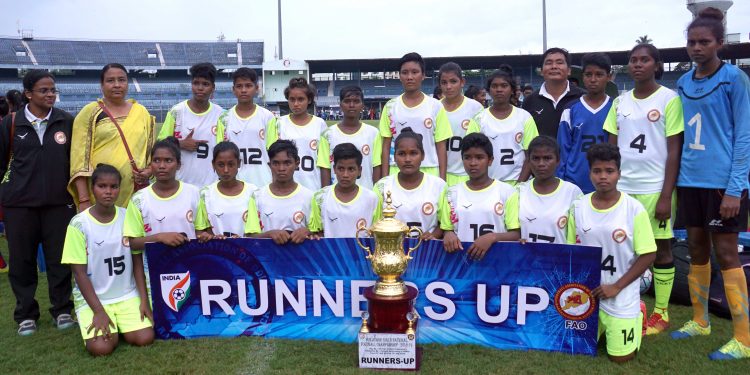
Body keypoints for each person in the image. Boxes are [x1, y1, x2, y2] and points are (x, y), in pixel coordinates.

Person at [671, 7, 750, 360]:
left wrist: (735, 187)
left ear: (720, 43)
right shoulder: (683, 82)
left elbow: (744, 136)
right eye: (691, 42)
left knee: (728, 254)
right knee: (697, 248)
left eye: (704, 42)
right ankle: (700, 321)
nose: (696, 48)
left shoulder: (735, 79)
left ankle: (744, 338)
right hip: (690, 181)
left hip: (722, 183)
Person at [604, 43, 684, 336]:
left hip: (653, 189)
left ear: (657, 65)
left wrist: (666, 195)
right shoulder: (619, 102)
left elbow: (674, 151)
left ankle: (661, 313)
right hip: (622, 189)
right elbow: (610, 150)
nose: (638, 65)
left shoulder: (669, 99)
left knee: (660, 248)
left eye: (644, 60)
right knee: (622, 245)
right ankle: (630, 303)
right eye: (633, 60)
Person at [0, 70, 76, 335]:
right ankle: (25, 315)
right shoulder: (10, 124)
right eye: (44, 90)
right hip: (19, 206)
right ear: (28, 94)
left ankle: (63, 310)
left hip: (59, 204)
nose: (50, 94)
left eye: (53, 90)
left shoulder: (66, 121)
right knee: (22, 261)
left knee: (59, 260)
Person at [566, 143, 656, 363]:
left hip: (620, 292)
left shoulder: (634, 209)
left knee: (620, 358)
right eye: (597, 171)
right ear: (590, 173)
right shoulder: (578, 206)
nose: (603, 177)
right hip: (588, 293)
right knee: (573, 348)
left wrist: (617, 286)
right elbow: (571, 250)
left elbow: (648, 255)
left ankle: (638, 313)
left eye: (609, 171)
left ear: (619, 174)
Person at [61, 164, 154, 356]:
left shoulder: (127, 215)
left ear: (120, 188)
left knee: (145, 338)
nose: (108, 192)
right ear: (93, 189)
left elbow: (137, 262)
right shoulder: (79, 223)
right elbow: (79, 273)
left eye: (113, 187)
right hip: (95, 299)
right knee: (101, 348)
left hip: (127, 295)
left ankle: (121, 326)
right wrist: (99, 312)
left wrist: (144, 300)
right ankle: (108, 324)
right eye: (102, 186)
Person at [70, 63, 156, 209]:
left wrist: (147, 172)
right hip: (99, 194)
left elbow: (151, 153)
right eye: (110, 81)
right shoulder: (90, 112)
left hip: (136, 193)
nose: (117, 85)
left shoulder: (141, 112)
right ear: (102, 85)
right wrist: (84, 200)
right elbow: (79, 160)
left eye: (122, 80)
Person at [123, 137, 201, 299]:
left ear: (178, 164)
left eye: (168, 160)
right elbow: (131, 242)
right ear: (151, 165)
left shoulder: (194, 193)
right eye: (156, 160)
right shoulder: (139, 199)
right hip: (156, 271)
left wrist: (207, 236)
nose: (162, 166)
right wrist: (159, 237)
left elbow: (201, 231)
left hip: (190, 268)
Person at [440, 132, 518, 260]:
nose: (473, 163)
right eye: (467, 157)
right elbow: (447, 228)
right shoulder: (452, 193)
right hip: (461, 264)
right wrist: (447, 233)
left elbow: (515, 234)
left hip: (498, 263)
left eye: (479, 157)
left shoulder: (507, 192)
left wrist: (492, 237)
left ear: (490, 160)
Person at [379, 52, 452, 180]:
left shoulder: (435, 106)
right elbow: (386, 146)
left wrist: (442, 179)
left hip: (429, 170)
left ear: (423, 75)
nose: (410, 77)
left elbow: (441, 146)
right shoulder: (390, 106)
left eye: (415, 72)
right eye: (405, 72)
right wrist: (385, 179)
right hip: (397, 170)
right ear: (400, 76)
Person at [466, 66, 539, 185]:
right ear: (488, 91)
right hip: (488, 183)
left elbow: (531, 155)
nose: (499, 89)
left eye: (504, 86)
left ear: (512, 90)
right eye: (494, 86)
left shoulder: (525, 117)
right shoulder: (479, 119)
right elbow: (470, 154)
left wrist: (519, 186)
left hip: (518, 182)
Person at [158, 62, 224, 188]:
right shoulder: (176, 112)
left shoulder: (221, 115)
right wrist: (180, 144)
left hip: (210, 186)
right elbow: (160, 145)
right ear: (191, 85)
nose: (200, 88)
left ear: (213, 87)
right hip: (181, 184)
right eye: (196, 83)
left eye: (205, 84)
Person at [373, 128, 446, 240]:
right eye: (401, 154)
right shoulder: (382, 186)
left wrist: (433, 235)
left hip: (426, 252)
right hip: (392, 252)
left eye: (413, 153)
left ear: (423, 156)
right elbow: (375, 225)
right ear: (395, 157)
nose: (407, 159)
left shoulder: (439, 185)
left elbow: (445, 224)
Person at [507, 136, 582, 244]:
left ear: (558, 161)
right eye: (536, 158)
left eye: (547, 158)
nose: (541, 164)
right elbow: (512, 234)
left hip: (560, 260)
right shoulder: (518, 192)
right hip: (526, 260)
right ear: (528, 161)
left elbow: (577, 238)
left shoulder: (573, 193)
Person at [557, 53, 614, 194]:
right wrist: (561, 182)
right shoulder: (570, 109)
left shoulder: (617, 108)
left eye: (599, 74)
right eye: (588, 75)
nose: (593, 79)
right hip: (574, 183)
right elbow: (562, 150)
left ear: (609, 76)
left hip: (607, 182)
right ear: (583, 77)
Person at [245, 139, 314, 244]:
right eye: (276, 163)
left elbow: (319, 233)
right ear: (269, 165)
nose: (281, 168)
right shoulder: (257, 196)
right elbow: (250, 236)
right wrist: (269, 234)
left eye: (287, 163)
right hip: (267, 259)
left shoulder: (309, 197)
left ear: (297, 164)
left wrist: (307, 231)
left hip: (300, 259)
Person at [265, 77, 327, 191]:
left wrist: (324, 191)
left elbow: (324, 162)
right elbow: (272, 159)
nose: (296, 104)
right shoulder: (278, 123)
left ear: (309, 100)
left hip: (312, 187)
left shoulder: (320, 124)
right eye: (292, 99)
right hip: (284, 188)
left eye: (300, 99)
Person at [216, 67, 276, 187]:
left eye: (248, 86)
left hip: (263, 182)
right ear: (233, 89)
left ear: (256, 88)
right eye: (239, 86)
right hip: (234, 183)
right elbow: (219, 153)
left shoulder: (267, 117)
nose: (243, 90)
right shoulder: (224, 118)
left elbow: (274, 153)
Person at [319, 86, 382, 189]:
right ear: (340, 105)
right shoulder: (327, 134)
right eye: (347, 101)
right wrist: (326, 195)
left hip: (365, 194)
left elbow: (376, 166)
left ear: (362, 105)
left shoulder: (373, 133)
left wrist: (375, 195)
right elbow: (325, 168)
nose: (351, 105)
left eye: (356, 101)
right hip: (336, 196)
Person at [310, 143, 378, 238]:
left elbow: (377, 234)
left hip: (363, 252)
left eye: (351, 169)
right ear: (334, 169)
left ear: (359, 170)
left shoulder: (372, 198)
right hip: (331, 252)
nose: (345, 174)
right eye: (341, 169)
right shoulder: (320, 197)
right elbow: (316, 233)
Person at [195, 141, 257, 239]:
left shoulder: (253, 192)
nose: (226, 170)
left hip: (247, 252)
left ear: (239, 163)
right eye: (221, 165)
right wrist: (212, 237)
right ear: (213, 165)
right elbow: (200, 230)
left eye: (231, 164)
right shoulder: (206, 194)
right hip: (218, 252)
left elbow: (257, 231)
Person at [522, 47, 585, 139]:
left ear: (569, 70)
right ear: (541, 71)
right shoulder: (529, 101)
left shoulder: (582, 98)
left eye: (559, 62)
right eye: (549, 63)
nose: (554, 66)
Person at [439, 62, 484, 187]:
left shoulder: (475, 108)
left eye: (453, 81)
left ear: (462, 82)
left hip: (467, 174)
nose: (448, 86)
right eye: (444, 82)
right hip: (439, 174)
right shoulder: (434, 108)